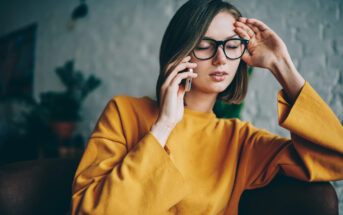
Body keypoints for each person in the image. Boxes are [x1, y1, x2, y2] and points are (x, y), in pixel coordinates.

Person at [71, 0, 343, 214]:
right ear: (180, 51)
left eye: (232, 45)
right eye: (204, 45)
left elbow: (336, 159)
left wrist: (281, 65)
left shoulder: (239, 140)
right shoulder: (123, 112)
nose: (221, 58)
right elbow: (92, 212)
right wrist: (163, 125)